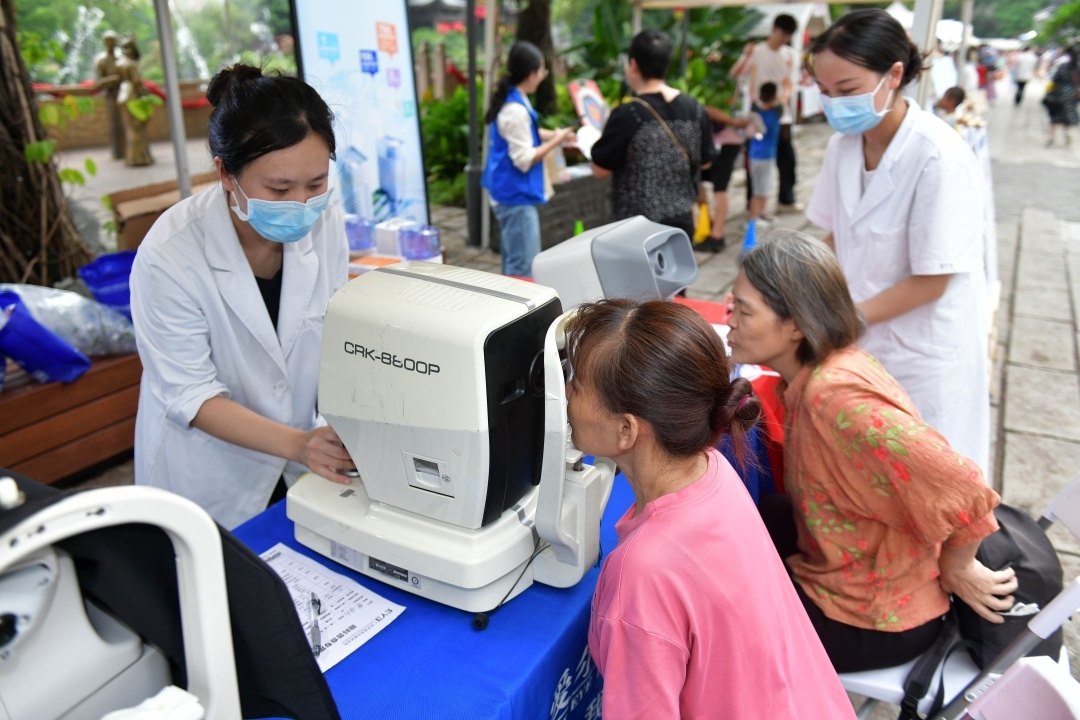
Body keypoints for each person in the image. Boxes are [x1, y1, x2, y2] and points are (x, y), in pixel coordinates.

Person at [726, 230, 1015, 673]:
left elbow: (965, 486)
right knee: (744, 523)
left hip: (875, 615)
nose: (729, 319)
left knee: (717, 621)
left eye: (744, 311)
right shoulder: (826, 367)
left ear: (796, 325)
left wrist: (959, 566)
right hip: (857, 558)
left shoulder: (836, 400)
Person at [565, 298, 856, 719]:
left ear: (626, 429)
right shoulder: (713, 469)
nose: (566, 394)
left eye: (577, 385)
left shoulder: (641, 573)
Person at [130, 65, 354, 529]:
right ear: (226, 174)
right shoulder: (171, 253)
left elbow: (334, 333)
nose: (302, 204)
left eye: (316, 184)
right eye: (279, 188)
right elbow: (190, 393)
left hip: (299, 459)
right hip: (212, 474)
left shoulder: (326, 223)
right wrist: (298, 444)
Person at [806, 9, 991, 473]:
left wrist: (843, 320)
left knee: (928, 474)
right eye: (825, 92)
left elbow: (933, 281)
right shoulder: (843, 146)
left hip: (922, 352)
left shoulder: (938, 157)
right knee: (870, 471)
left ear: (893, 75)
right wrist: (790, 284)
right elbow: (837, 234)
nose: (834, 104)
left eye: (847, 90)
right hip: (865, 338)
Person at [590, 30, 714, 239]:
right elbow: (706, 163)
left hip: (635, 229)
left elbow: (600, 170)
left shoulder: (627, 114)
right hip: (681, 223)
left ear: (633, 65)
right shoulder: (694, 109)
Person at [481, 42, 573, 277]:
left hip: (509, 194)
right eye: (542, 70)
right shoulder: (516, 110)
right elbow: (524, 158)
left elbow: (524, 134)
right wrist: (555, 141)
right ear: (532, 74)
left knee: (514, 262)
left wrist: (556, 135)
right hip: (516, 198)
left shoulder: (514, 100)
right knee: (522, 269)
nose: (543, 76)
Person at [745, 14, 801, 213]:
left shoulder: (791, 55)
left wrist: (782, 99)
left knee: (786, 158)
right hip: (758, 110)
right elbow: (745, 76)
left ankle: (786, 198)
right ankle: (753, 203)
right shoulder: (757, 51)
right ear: (774, 29)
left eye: (788, 35)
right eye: (783, 34)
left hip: (780, 111)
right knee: (756, 156)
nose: (785, 38)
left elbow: (790, 83)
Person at [699, 104, 750, 252]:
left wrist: (733, 122)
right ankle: (709, 224)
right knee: (695, 183)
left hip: (724, 144)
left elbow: (706, 109)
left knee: (719, 189)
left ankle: (717, 236)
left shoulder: (681, 105)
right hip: (711, 146)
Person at [747, 81, 788, 225]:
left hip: (753, 155)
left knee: (757, 188)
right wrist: (787, 85)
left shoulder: (754, 112)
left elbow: (752, 95)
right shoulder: (776, 112)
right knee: (762, 190)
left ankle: (761, 215)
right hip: (767, 157)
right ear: (774, 97)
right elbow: (783, 99)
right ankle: (754, 219)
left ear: (760, 96)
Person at [93, 30, 123, 160]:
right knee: (114, 125)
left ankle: (129, 150)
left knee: (125, 124)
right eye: (108, 41)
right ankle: (117, 152)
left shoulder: (121, 58)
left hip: (124, 93)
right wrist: (112, 79)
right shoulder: (101, 61)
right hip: (111, 95)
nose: (111, 43)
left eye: (113, 40)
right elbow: (98, 83)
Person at [1044, 47, 1079, 147]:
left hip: (1059, 93)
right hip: (1072, 94)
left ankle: (1051, 138)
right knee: (1066, 116)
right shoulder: (1077, 67)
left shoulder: (1063, 66)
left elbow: (1055, 79)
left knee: (1054, 117)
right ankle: (1067, 134)